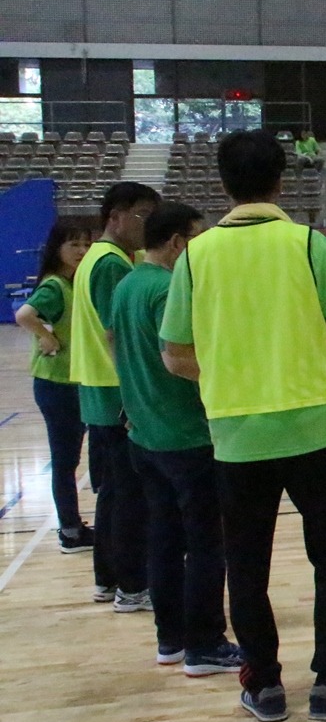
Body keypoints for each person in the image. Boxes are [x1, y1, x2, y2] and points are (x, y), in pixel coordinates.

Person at [160, 128, 326, 722]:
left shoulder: (196, 256)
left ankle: (264, 686)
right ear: (282, 181)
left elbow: (174, 355)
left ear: (222, 184)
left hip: (236, 437)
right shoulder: (308, 244)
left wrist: (229, 374)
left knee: (246, 566)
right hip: (312, 430)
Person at [108, 201, 240, 675]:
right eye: (198, 238)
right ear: (179, 243)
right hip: (186, 436)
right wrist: (234, 381)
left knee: (163, 540)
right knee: (206, 544)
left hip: (145, 437)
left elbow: (112, 343)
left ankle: (172, 640)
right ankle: (205, 645)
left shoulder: (127, 284)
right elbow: (178, 358)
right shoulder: (167, 288)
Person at [72, 181, 161, 611]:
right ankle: (132, 585)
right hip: (116, 393)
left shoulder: (98, 258)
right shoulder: (110, 264)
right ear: (116, 217)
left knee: (113, 493)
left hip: (99, 390)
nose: (149, 225)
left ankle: (108, 579)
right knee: (129, 495)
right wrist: (136, 390)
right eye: (143, 215)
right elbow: (116, 332)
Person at [15, 219, 95, 552]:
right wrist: (45, 336)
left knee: (70, 459)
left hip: (72, 382)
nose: (81, 251)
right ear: (56, 248)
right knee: (64, 461)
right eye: (73, 244)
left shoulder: (75, 283)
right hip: (57, 386)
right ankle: (70, 531)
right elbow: (24, 314)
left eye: (86, 244)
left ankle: (73, 526)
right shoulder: (55, 286)